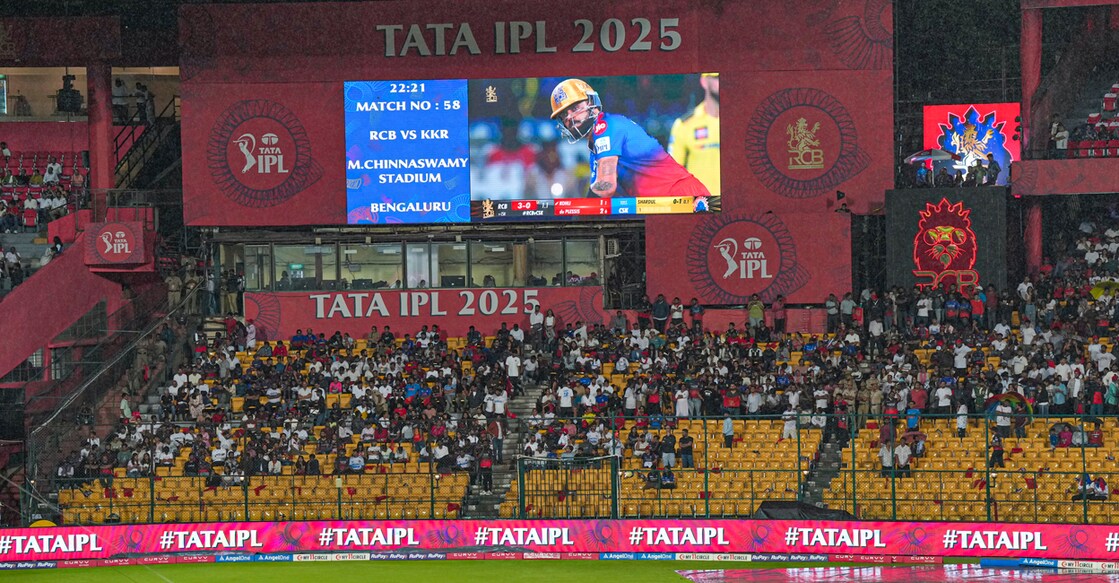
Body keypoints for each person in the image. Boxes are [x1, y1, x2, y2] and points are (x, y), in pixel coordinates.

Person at [548, 78, 710, 200]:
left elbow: (606, 187)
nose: (570, 117)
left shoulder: (606, 127)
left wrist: (576, 215)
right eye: (564, 114)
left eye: (575, 107)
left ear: (593, 104)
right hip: (667, 203)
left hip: (684, 197)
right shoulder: (596, 149)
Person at [668, 72, 720, 195]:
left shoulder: (741, 120)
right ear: (704, 81)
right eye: (716, 77)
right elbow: (672, 175)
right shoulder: (685, 124)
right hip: (701, 203)